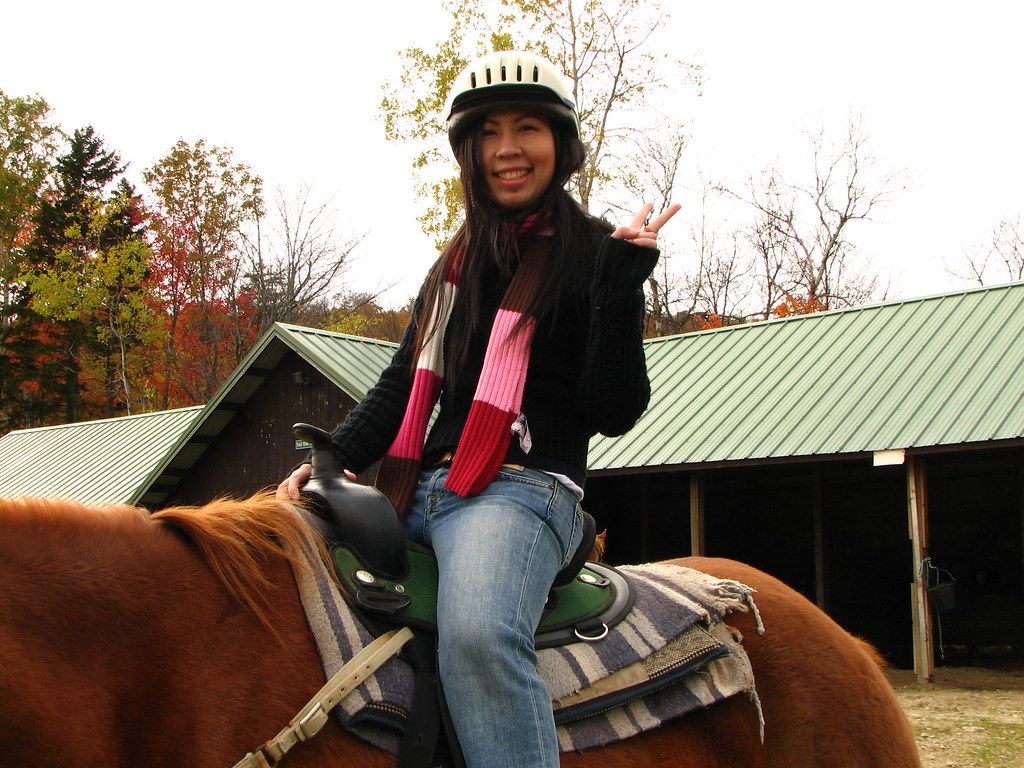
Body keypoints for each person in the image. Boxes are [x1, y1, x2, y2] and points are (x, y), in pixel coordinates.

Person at [278, 49, 678, 768]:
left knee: (478, 636)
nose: (507, 149)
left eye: (527, 128)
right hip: (417, 486)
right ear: (469, 153)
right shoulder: (456, 264)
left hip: (524, 489)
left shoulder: (597, 253)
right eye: (488, 133)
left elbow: (612, 410)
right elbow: (404, 380)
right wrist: (332, 455)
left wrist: (619, 290)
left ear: (560, 144)